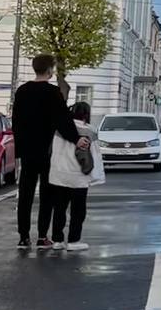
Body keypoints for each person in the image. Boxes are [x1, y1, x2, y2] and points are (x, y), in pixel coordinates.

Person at [11, 54, 89, 250]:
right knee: (48, 195)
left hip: (28, 151)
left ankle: (23, 237)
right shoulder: (53, 92)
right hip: (48, 151)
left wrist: (20, 148)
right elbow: (63, 120)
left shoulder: (22, 91)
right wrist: (76, 139)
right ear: (49, 70)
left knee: (26, 194)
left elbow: (16, 122)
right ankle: (42, 237)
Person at [48, 101, 105, 251]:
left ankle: (57, 240)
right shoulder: (90, 131)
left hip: (59, 174)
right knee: (78, 210)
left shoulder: (60, 130)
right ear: (87, 114)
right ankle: (74, 240)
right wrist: (96, 177)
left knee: (59, 208)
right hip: (78, 177)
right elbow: (95, 157)